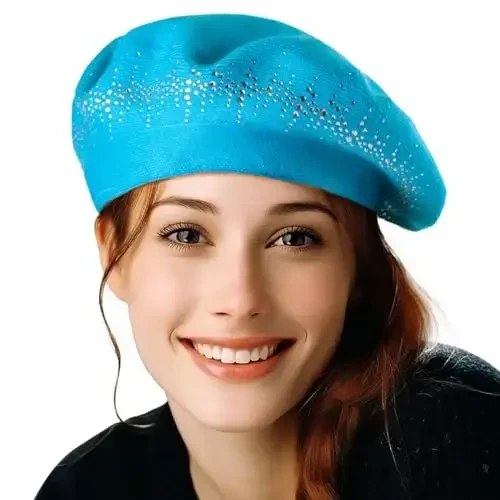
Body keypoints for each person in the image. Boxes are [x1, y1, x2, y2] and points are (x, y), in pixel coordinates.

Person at [35, 12, 500, 500]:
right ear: (115, 253)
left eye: (295, 238)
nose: (240, 300)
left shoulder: (458, 441)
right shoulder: (88, 487)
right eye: (187, 234)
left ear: (357, 269)